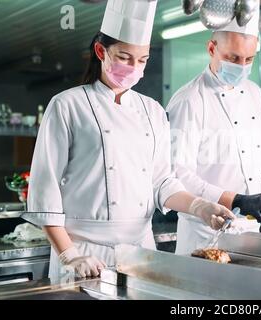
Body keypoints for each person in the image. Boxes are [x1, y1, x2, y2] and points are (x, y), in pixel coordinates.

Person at [22, 0, 234, 280]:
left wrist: (199, 206)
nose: (134, 67)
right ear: (101, 51)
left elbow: (162, 182)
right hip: (84, 254)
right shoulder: (67, 105)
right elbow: (45, 189)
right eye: (124, 57)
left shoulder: (153, 110)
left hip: (141, 252)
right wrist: (69, 255)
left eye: (142, 60)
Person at [167, 8, 261, 255]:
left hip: (251, 233)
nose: (242, 67)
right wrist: (237, 199)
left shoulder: (254, 93)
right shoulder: (189, 100)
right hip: (206, 234)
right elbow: (178, 174)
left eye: (249, 60)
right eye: (233, 58)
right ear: (212, 49)